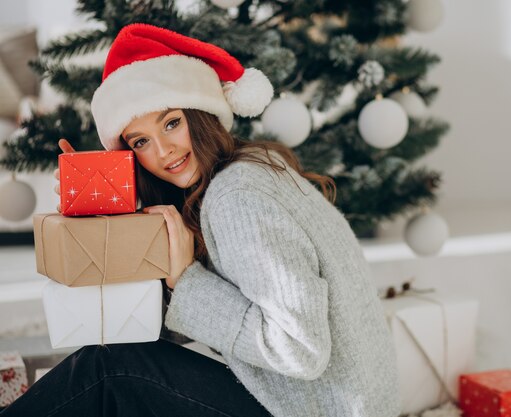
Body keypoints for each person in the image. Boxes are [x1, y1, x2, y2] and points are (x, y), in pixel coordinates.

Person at [1, 23, 401, 417]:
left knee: (106, 371)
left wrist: (187, 279)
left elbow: (301, 349)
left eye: (171, 122)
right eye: (140, 141)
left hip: (317, 407)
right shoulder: (238, 176)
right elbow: (167, 331)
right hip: (322, 402)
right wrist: (114, 208)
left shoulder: (237, 197)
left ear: (201, 113)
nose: (163, 151)